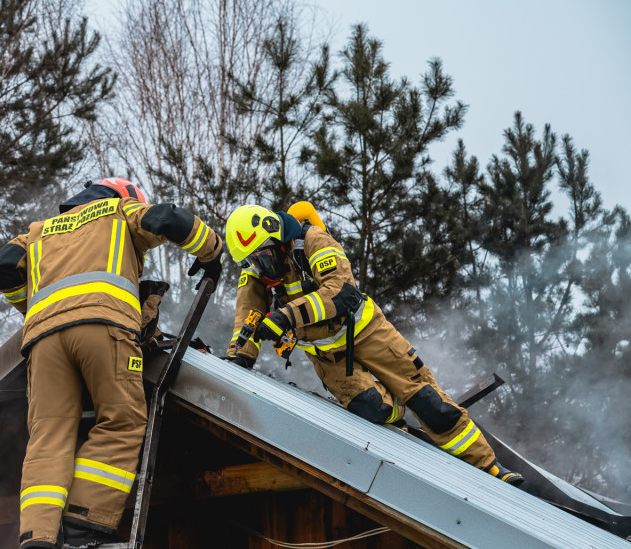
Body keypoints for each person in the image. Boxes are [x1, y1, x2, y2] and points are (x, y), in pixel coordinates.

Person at [0, 177, 223, 549]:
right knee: (124, 418)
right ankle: (83, 518)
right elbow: (167, 218)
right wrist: (212, 251)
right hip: (104, 329)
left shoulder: (40, 231)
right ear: (125, 196)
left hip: (43, 343)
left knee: (48, 437)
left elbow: (5, 263)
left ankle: (38, 542)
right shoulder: (118, 212)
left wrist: (33, 306)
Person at [223, 201, 523, 486]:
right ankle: (398, 414)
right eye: (252, 260)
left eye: (263, 256)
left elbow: (341, 292)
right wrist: (240, 357)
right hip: (328, 357)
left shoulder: (314, 241)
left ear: (277, 238)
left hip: (367, 332)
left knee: (430, 402)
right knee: (372, 409)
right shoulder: (257, 272)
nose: (259, 266)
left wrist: (286, 315)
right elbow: (246, 316)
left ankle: (491, 467)